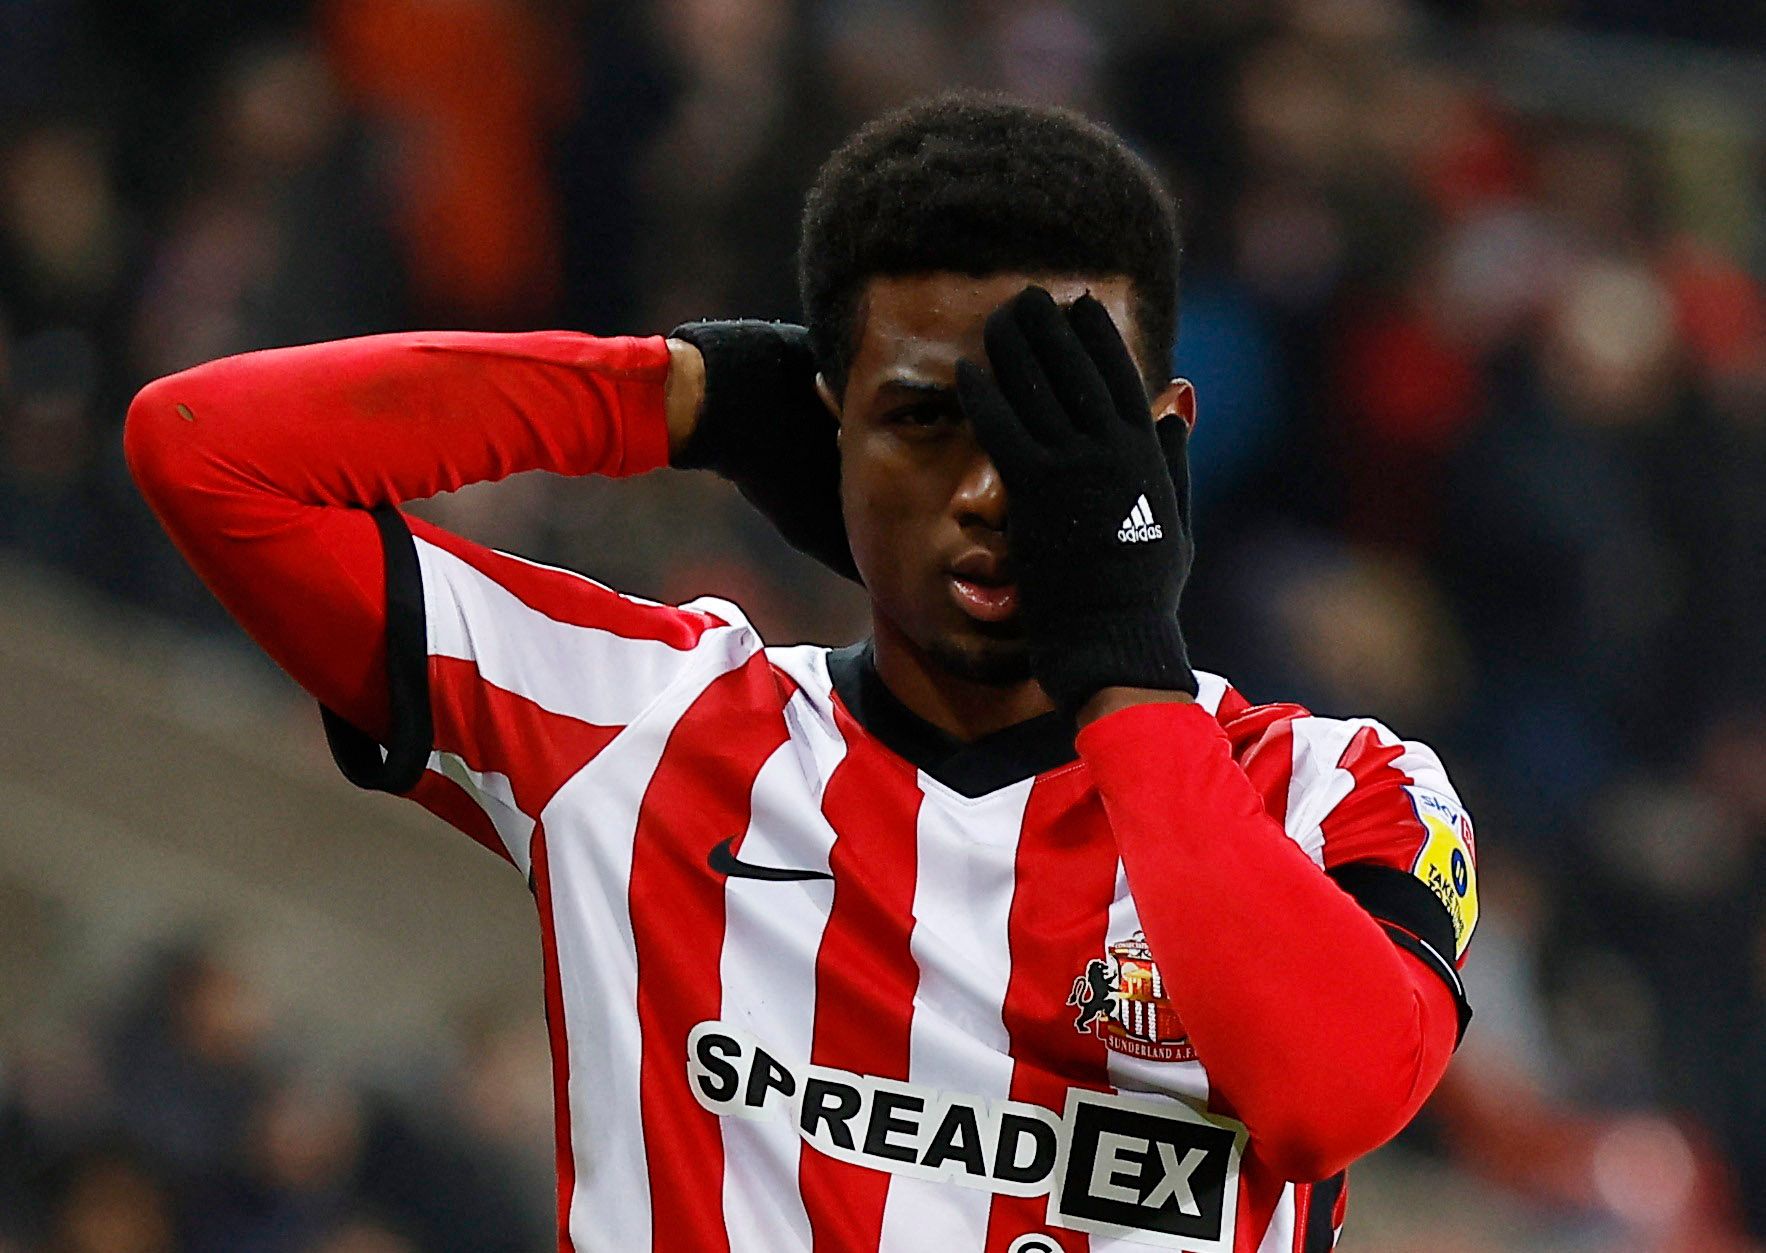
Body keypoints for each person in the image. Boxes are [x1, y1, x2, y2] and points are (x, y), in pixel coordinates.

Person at [125, 93, 1478, 1253]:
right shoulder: (639, 728)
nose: (991, 488)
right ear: (830, 430)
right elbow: (204, 449)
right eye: (923, 419)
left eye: (1063, 433)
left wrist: (1127, 668)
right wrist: (675, 393)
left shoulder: (1335, 789)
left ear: (1163, 444)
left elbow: (1331, 1094)